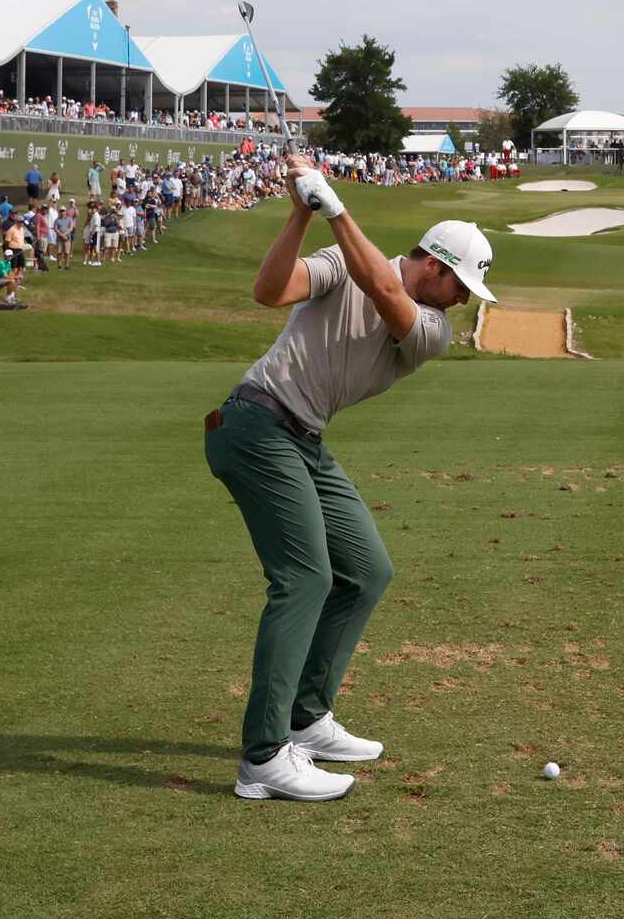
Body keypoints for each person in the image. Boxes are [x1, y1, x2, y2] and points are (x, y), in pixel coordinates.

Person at [207, 152, 493, 802]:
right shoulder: (345, 261)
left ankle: (306, 720)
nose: (463, 305)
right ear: (436, 267)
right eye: (461, 288)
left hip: (302, 439)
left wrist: (335, 207)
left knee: (366, 570)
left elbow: (387, 294)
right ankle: (263, 757)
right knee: (305, 577)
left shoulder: (430, 329)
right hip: (255, 424)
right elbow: (270, 291)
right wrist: (298, 215)